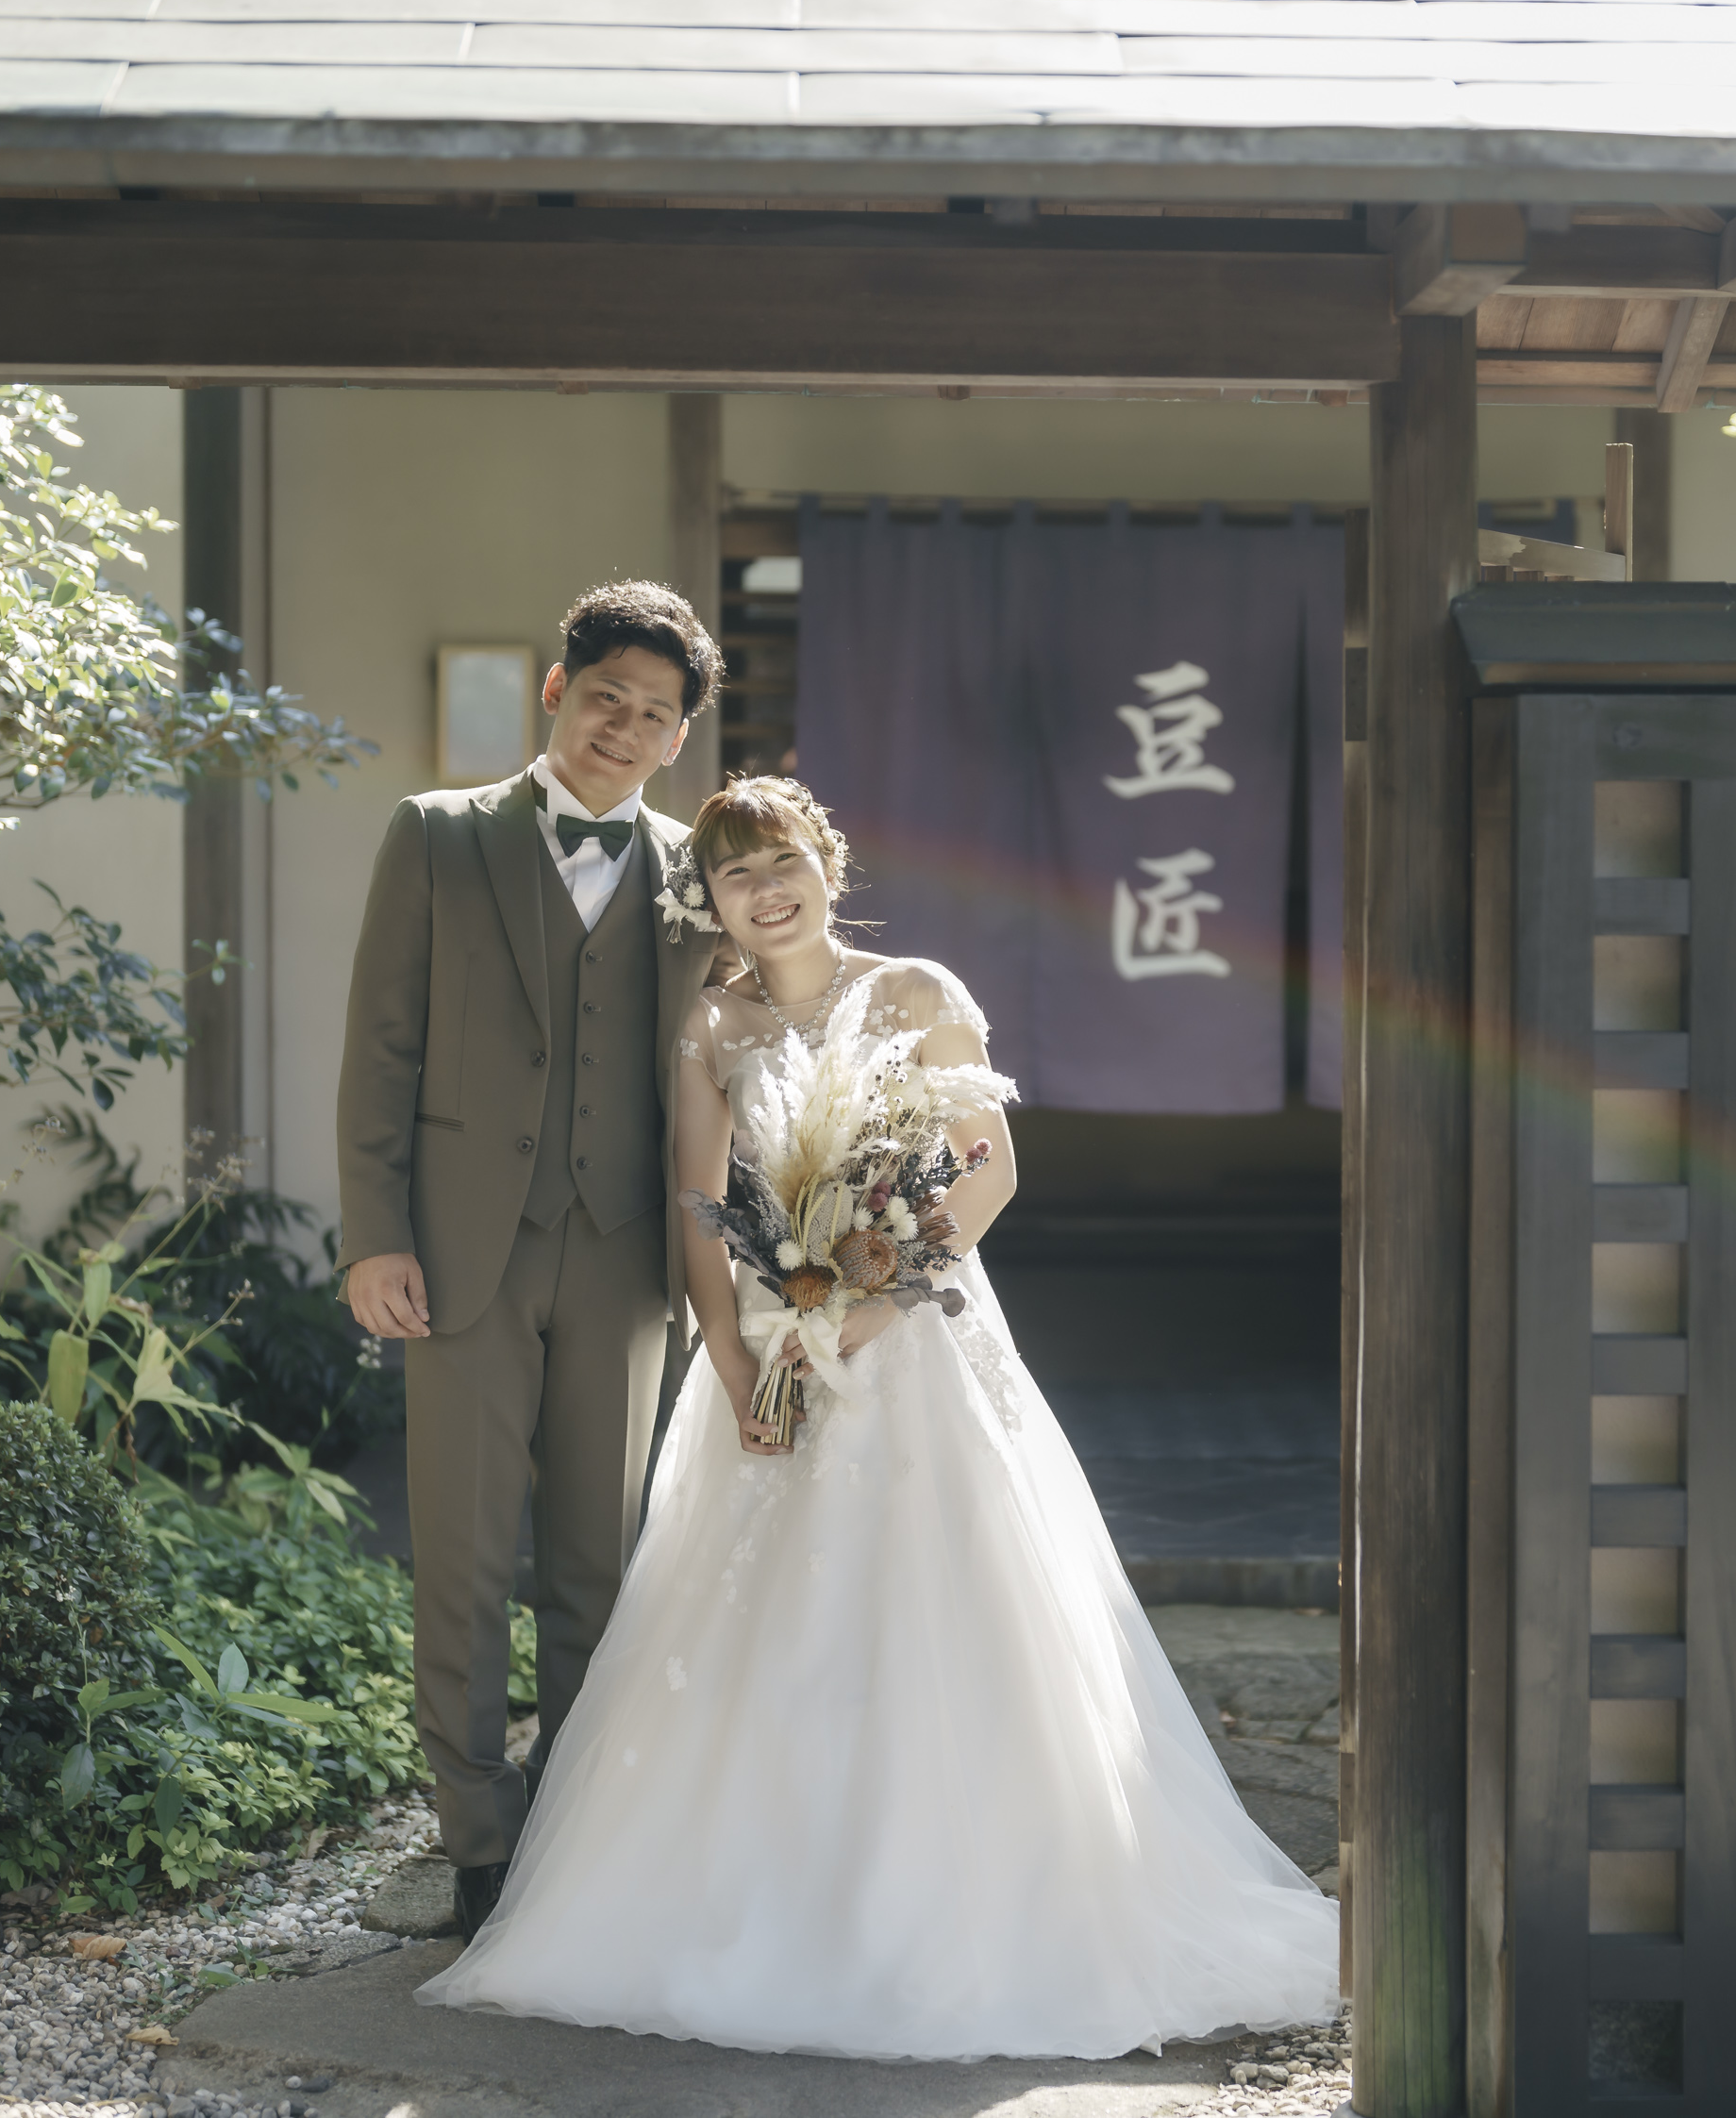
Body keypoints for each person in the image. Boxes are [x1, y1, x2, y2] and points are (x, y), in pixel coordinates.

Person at [414, 776, 1340, 2060]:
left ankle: (980, 1895)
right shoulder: (711, 1022)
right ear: (714, 900)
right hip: (769, 1346)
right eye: (736, 874)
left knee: (947, 1599)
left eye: (782, 861)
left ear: (827, 865)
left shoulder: (916, 992)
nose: (765, 891)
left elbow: (988, 1171)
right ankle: (767, 1892)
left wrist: (872, 1306)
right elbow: (697, 1206)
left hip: (917, 1348)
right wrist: (734, 1362)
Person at [335, 582, 727, 1942]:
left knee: (598, 1564)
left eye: (656, 714)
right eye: (608, 697)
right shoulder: (437, 836)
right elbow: (381, 1048)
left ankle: (576, 1830)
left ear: (679, 739)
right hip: (461, 1251)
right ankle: (478, 1844)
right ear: (558, 693)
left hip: (628, 1256)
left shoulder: (699, 871)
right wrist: (374, 1235)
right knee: (460, 1554)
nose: (626, 727)